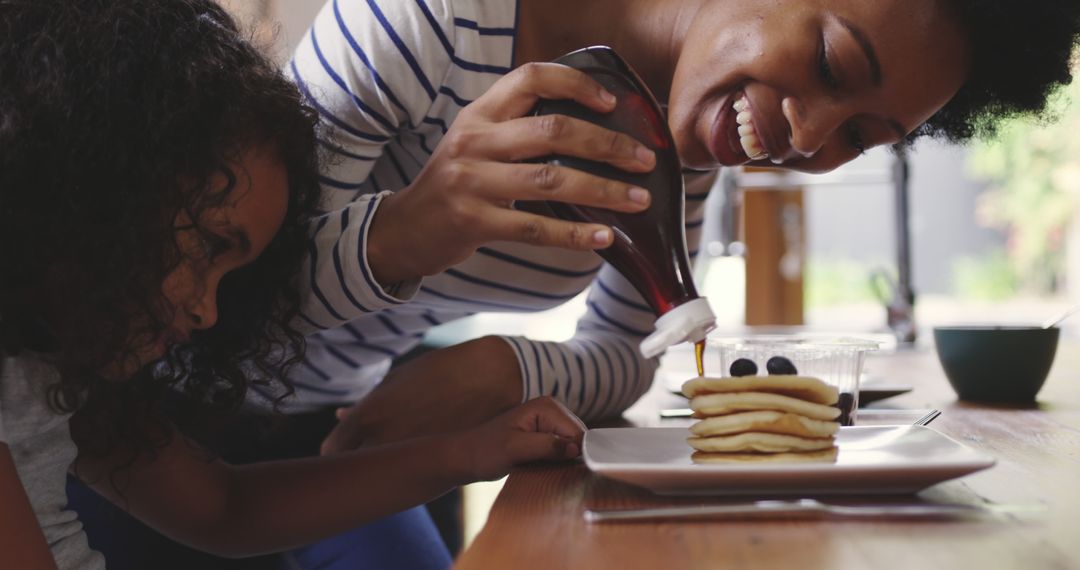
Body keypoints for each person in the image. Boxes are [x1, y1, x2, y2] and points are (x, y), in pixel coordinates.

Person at [273, 0, 1080, 566]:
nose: (806, 139)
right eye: (832, 62)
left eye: (862, 135)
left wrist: (508, 367)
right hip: (172, 428)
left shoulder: (681, 135)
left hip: (345, 444)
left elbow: (630, 355)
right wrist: (410, 230)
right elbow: (218, 292)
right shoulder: (434, 20)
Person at [0, 1, 587, 569]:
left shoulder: (63, 366)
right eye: (210, 243)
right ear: (101, 184)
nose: (207, 312)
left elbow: (226, 508)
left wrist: (474, 450)